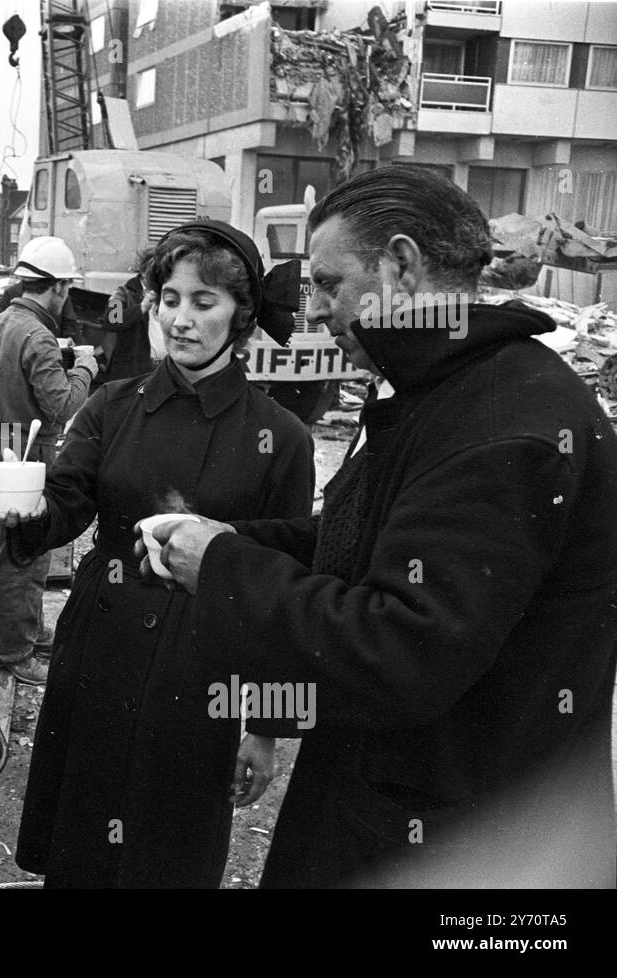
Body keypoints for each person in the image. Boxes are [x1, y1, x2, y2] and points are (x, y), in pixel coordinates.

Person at [145, 167, 617, 887]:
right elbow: (360, 545)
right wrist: (227, 540)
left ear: (399, 266)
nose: (315, 310)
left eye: (329, 284)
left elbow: (399, 649)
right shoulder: (441, 390)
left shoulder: (499, 428)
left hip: (469, 848)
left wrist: (223, 566)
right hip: (406, 798)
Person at [0, 220, 313, 887]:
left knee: (166, 846)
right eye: (170, 299)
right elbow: (63, 511)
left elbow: (284, 588)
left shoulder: (280, 438)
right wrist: (23, 510)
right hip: (100, 645)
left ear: (242, 314)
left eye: (205, 303)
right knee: (83, 840)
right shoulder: (112, 406)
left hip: (201, 667)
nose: (181, 319)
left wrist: (265, 728)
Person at [0, 237, 98, 685]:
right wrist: (84, 369)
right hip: (28, 449)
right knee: (25, 552)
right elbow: (62, 406)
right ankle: (12, 649)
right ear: (58, 287)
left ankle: (24, 629)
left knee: (21, 546)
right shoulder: (38, 336)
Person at [97, 255, 157, 384]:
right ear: (142, 272)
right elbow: (111, 320)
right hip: (131, 370)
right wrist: (141, 308)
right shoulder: (122, 292)